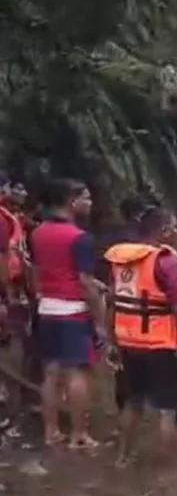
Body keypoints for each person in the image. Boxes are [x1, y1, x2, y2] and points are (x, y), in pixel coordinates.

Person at [104, 206, 177, 469]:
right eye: (173, 228)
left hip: (128, 343)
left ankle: (122, 460)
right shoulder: (168, 262)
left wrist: (112, 342)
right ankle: (167, 472)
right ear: (163, 231)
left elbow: (112, 304)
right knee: (168, 410)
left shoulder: (121, 260)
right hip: (158, 347)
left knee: (132, 403)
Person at [28, 178, 108, 448]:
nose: (90, 202)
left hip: (47, 308)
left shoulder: (38, 232)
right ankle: (79, 434)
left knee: (51, 372)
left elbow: (39, 271)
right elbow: (84, 281)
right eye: (86, 197)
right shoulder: (80, 238)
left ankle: (51, 432)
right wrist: (100, 321)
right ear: (72, 202)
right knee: (77, 372)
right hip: (73, 311)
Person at [0, 175, 35, 432]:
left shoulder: (11, 217)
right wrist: (7, 295)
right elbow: (2, 258)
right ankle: (10, 408)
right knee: (11, 346)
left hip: (12, 288)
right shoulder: (2, 220)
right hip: (6, 291)